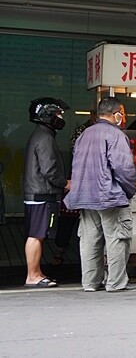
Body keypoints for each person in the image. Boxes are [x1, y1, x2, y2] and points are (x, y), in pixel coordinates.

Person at [66, 97, 136, 292]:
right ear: (116, 114)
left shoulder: (84, 134)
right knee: (117, 238)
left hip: (84, 196)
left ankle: (90, 282)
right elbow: (123, 168)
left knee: (89, 240)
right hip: (109, 197)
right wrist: (130, 190)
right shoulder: (115, 135)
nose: (123, 118)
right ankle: (115, 283)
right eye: (122, 113)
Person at [22, 97, 69, 288]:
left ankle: (36, 273)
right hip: (41, 194)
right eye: (58, 114)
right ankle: (32, 276)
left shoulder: (41, 135)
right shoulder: (45, 138)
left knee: (37, 234)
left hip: (37, 193)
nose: (60, 117)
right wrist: (65, 183)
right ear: (47, 115)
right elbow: (49, 169)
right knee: (36, 235)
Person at [52, 111, 97, 267]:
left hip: (96, 178)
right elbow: (75, 153)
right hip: (78, 175)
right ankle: (60, 250)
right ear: (93, 115)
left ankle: (91, 257)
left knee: (92, 219)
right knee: (68, 216)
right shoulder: (81, 131)